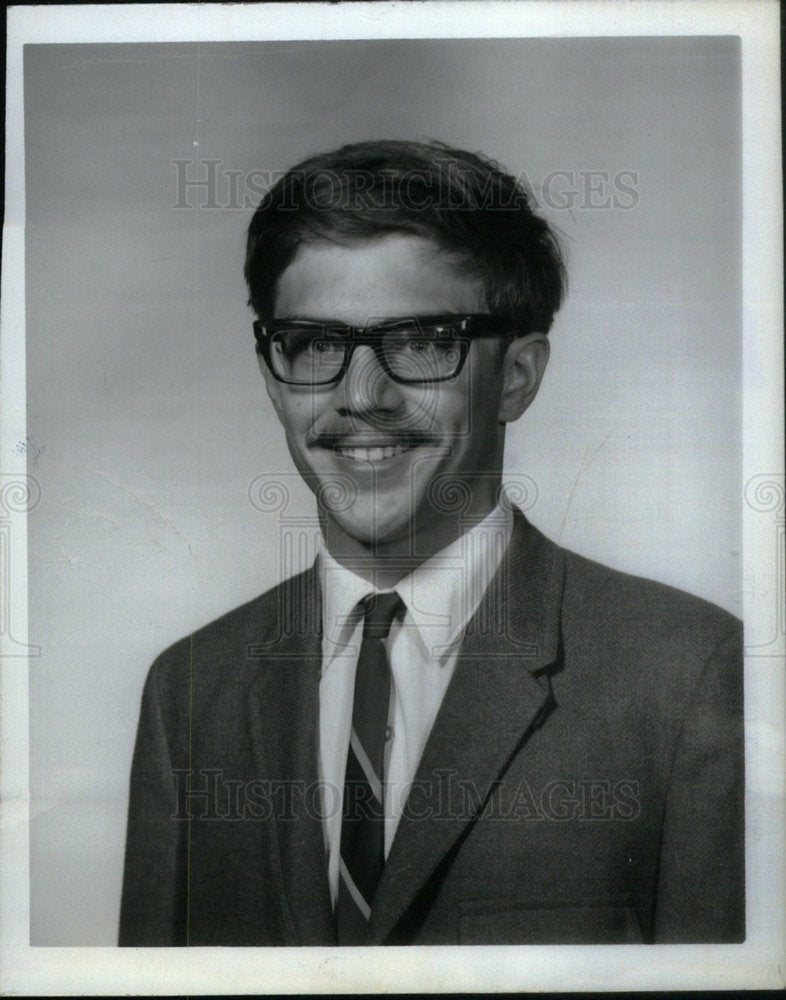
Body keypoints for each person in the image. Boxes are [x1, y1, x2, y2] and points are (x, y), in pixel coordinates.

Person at [119, 140, 744, 946]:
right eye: (314, 344)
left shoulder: (683, 677)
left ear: (516, 376)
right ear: (273, 377)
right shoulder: (189, 692)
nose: (359, 397)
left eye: (420, 343)